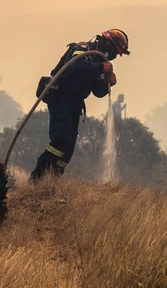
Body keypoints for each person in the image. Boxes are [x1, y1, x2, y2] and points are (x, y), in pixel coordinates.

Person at [30, 28, 129, 181]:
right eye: (116, 51)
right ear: (108, 43)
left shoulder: (101, 62)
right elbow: (75, 66)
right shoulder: (81, 49)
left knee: (69, 145)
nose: (115, 56)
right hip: (61, 98)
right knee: (61, 138)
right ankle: (37, 178)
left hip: (75, 104)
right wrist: (100, 68)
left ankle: (53, 180)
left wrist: (108, 81)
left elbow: (98, 91)